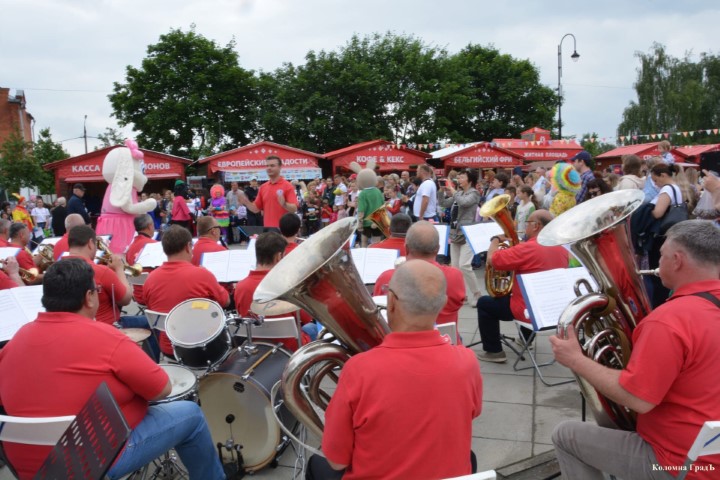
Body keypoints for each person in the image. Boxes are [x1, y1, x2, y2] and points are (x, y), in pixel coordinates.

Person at [0, 258, 225, 480]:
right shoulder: (104, 336)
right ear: (89, 297)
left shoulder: (17, 338)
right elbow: (162, 389)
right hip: (95, 459)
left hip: (30, 466)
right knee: (191, 414)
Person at [551, 220, 720, 480]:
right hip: (711, 447)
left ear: (677, 260)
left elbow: (638, 400)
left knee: (566, 435)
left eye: (661, 255)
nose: (657, 263)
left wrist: (576, 359)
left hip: (683, 465)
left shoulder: (669, 320)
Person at [307, 260, 483, 480]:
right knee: (469, 456)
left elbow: (337, 461)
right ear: (443, 304)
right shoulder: (468, 361)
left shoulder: (359, 369)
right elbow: (472, 413)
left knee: (316, 464)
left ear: (390, 301)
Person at [476, 210, 569, 363]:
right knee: (525, 294)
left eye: (527, 223)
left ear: (536, 226)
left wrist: (495, 240)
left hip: (527, 311)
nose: (525, 227)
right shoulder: (561, 248)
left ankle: (494, 351)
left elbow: (492, 260)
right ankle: (526, 340)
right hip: (551, 310)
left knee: (484, 303)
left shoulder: (528, 247)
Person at [142, 225, 229, 358]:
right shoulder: (202, 275)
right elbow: (225, 302)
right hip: (200, 348)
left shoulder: (150, 279)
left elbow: (151, 307)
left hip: (168, 349)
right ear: (188, 247)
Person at [374, 221, 465, 328]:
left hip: (403, 337)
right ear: (437, 249)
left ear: (406, 249)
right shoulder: (455, 276)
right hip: (447, 336)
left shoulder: (388, 277)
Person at [233, 232, 314, 347]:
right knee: (313, 328)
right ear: (278, 257)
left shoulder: (240, 287)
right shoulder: (286, 285)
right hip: (291, 349)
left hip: (258, 347)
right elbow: (307, 318)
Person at [440, 168, 483, 304]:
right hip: (455, 232)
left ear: (470, 180)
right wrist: (441, 191)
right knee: (455, 268)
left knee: (464, 265)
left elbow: (464, 202)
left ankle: (477, 294)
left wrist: (453, 191)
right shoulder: (459, 193)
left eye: (462, 177)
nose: (459, 179)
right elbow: (443, 203)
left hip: (468, 233)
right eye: (458, 177)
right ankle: (461, 295)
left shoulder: (474, 193)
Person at [647, 162, 685, 307]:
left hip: (661, 235)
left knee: (658, 272)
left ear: (663, 175)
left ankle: (659, 304)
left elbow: (658, 213)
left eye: (655, 180)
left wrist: (645, 212)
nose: (655, 184)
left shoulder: (667, 189)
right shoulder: (676, 187)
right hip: (671, 233)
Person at [238, 156, 298, 230]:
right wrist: (246, 202)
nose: (269, 168)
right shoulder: (263, 187)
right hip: (268, 231)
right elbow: (256, 209)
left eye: (272, 165)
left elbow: (294, 209)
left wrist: (284, 204)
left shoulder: (287, 186)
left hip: (283, 230)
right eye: (267, 166)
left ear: (280, 167)